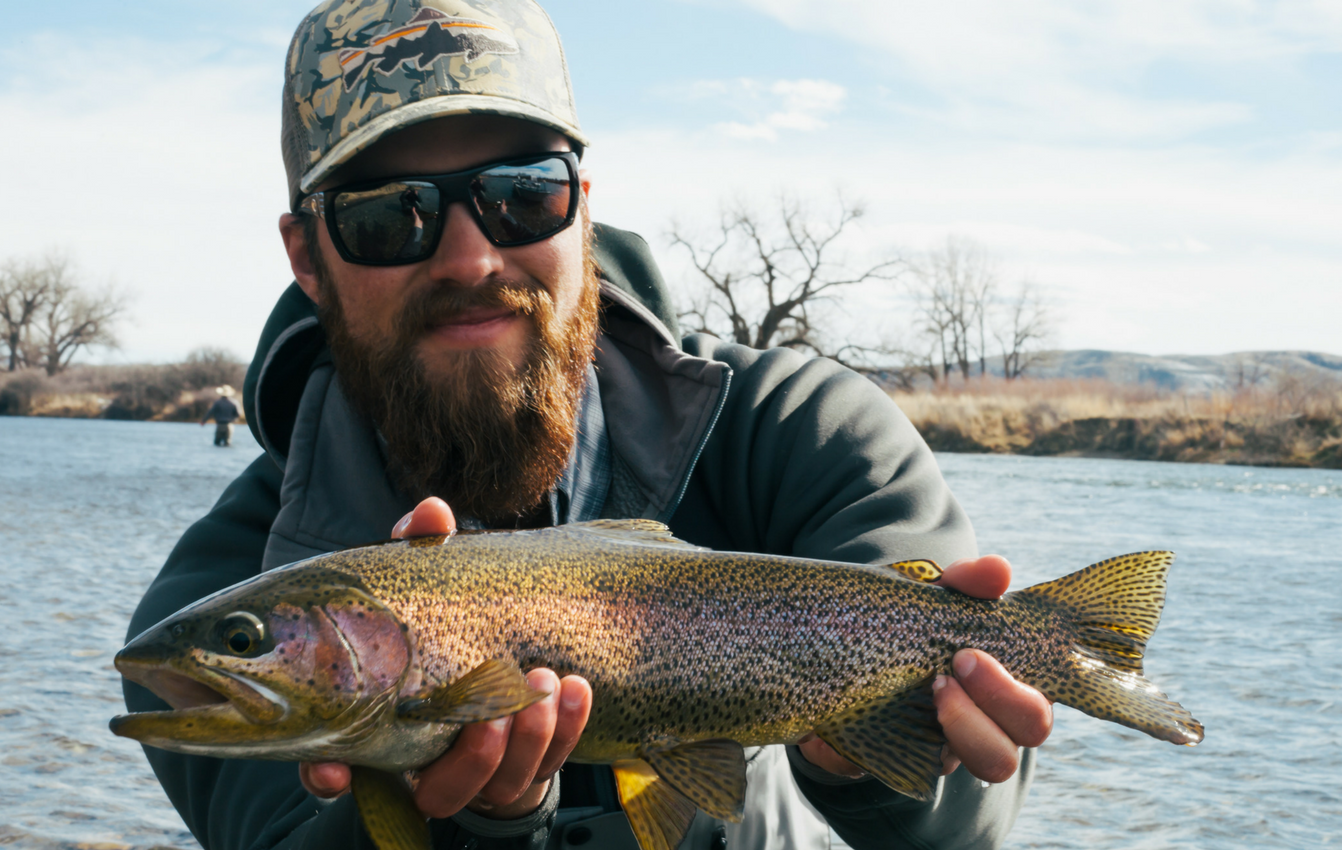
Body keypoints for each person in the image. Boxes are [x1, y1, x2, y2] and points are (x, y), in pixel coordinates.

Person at [121, 1, 1054, 848]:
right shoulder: (212, 598)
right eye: (386, 215)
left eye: (522, 192)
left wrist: (875, 759)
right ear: (308, 258)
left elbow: (965, 835)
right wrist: (473, 824)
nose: (470, 256)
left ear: (582, 210)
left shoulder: (800, 434)